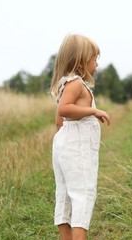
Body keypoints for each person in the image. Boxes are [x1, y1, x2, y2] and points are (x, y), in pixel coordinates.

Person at [50, 34, 110, 240]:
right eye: (94, 59)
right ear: (80, 61)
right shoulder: (76, 84)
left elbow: (59, 121)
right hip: (76, 148)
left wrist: (62, 143)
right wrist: (94, 112)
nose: (97, 64)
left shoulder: (66, 84)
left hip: (64, 143)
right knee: (82, 195)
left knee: (66, 195)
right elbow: (65, 109)